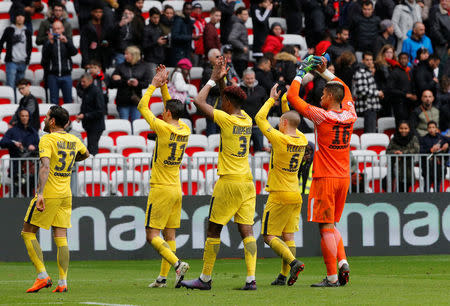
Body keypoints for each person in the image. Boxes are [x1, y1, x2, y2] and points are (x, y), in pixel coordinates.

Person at [181, 57, 257, 290]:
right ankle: (251, 279)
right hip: (247, 182)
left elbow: (197, 100)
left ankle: (204, 278)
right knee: (247, 230)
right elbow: (228, 97)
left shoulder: (225, 118)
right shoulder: (246, 119)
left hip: (229, 183)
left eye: (223, 99)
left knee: (214, 229)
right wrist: (224, 80)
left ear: (226, 102)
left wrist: (213, 80)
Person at [287, 55, 356, 287]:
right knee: (332, 225)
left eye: (324, 94)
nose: (321, 96)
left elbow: (292, 98)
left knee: (324, 227)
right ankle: (342, 261)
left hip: (325, 177)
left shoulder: (321, 116)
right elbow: (344, 88)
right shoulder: (350, 114)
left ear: (330, 97)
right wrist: (324, 72)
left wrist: (300, 72)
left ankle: (332, 277)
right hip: (343, 177)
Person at [21, 106, 89, 293]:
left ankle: (42, 276)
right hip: (65, 193)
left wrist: (40, 193)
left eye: (46, 117)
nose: (44, 119)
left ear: (52, 122)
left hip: (50, 192)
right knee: (61, 237)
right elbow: (86, 154)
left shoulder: (47, 139)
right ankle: (63, 282)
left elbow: (45, 167)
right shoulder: (74, 139)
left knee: (28, 232)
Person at [137, 65, 190, 289]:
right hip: (177, 188)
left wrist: (154, 85)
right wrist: (165, 85)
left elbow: (142, 105)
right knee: (170, 234)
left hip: (160, 187)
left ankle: (177, 264)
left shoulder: (161, 127)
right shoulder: (185, 128)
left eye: (165, 110)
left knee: (152, 234)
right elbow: (171, 108)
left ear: (167, 113)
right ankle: (163, 277)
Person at [255, 85, 308, 286]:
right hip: (295, 194)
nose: (277, 126)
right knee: (288, 235)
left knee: (268, 236)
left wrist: (271, 100)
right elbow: (291, 118)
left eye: (279, 122)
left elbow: (259, 119)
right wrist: (284, 103)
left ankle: (293, 262)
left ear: (284, 123)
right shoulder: (302, 139)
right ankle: (283, 276)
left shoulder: (280, 139)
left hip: (279, 194)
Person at [0, 108, 39, 197]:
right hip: (16, 168)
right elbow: (2, 142)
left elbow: (40, 147)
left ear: (29, 117)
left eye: (26, 116)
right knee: (14, 192)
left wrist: (34, 147)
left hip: (31, 168)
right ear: (19, 117)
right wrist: (14, 143)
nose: (25, 118)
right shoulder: (12, 131)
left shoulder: (33, 132)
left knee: (29, 193)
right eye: (22, 116)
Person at [109, 46, 150, 123]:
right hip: (123, 100)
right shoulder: (120, 66)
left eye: (127, 54)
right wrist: (125, 82)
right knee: (124, 123)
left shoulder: (144, 66)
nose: (125, 56)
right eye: (125, 54)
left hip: (136, 100)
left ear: (134, 55)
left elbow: (146, 83)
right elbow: (112, 83)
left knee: (136, 123)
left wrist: (137, 84)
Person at [42, 20, 77, 105]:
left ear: (63, 29)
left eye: (58, 28)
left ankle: (67, 118)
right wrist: (50, 43)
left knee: (68, 101)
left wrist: (67, 43)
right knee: (54, 102)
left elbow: (74, 52)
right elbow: (44, 57)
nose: (57, 31)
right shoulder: (48, 42)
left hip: (66, 74)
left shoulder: (67, 40)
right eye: (54, 29)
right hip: (53, 75)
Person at [0, 10, 32, 91]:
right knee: (10, 86)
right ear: (15, 18)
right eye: (18, 16)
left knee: (21, 88)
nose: (20, 18)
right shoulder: (9, 30)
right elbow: (1, 43)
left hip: (23, 62)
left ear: (24, 18)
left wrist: (27, 60)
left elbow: (29, 47)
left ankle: (19, 103)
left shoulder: (27, 31)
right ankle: (12, 103)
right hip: (11, 62)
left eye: (22, 16)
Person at [352, 52, 382, 133]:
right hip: (367, 108)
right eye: (367, 60)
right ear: (362, 61)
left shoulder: (367, 71)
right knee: (370, 133)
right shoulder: (361, 72)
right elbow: (362, 90)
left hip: (371, 107)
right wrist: (377, 93)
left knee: (371, 132)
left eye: (371, 60)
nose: (369, 62)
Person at [76, 74, 105, 156]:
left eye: (84, 82)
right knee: (91, 148)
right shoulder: (86, 90)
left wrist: (85, 116)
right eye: (81, 81)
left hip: (96, 125)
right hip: (90, 125)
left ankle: (94, 167)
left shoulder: (96, 92)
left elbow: (100, 111)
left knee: (92, 149)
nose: (82, 83)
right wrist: (80, 115)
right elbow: (85, 107)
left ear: (90, 81)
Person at [386, 121, 420, 192]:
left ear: (409, 129)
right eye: (401, 128)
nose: (403, 130)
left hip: (408, 168)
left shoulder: (413, 138)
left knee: (407, 188)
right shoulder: (394, 139)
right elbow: (388, 151)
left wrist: (403, 153)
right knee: (398, 188)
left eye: (406, 128)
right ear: (398, 129)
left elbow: (416, 149)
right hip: (396, 168)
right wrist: (395, 152)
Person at [240, 68, 267, 152]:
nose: (250, 81)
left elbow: (266, 106)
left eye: (252, 78)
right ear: (243, 78)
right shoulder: (238, 90)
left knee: (259, 152)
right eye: (247, 79)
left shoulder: (261, 90)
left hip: (257, 126)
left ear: (254, 78)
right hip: (242, 127)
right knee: (243, 152)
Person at [80, 4, 115, 69]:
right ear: (92, 12)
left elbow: (110, 41)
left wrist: (106, 43)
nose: (98, 14)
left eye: (100, 12)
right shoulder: (86, 27)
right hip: (91, 58)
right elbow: (83, 46)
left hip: (103, 58)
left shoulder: (105, 26)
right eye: (96, 12)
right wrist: (86, 62)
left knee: (102, 78)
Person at [387, 52, 417, 125]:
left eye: (405, 59)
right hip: (399, 104)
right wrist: (405, 95)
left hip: (410, 104)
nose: (403, 60)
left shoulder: (410, 71)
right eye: (401, 59)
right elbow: (390, 89)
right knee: (400, 124)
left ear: (408, 60)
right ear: (398, 60)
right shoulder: (395, 72)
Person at [419, 121, 449, 192]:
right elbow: (420, 151)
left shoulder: (441, 137)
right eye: (429, 127)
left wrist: (447, 144)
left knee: (437, 188)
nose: (431, 129)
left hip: (439, 167)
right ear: (427, 129)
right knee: (427, 188)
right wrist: (430, 150)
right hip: (427, 168)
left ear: (436, 128)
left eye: (433, 127)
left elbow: (448, 141)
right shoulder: (423, 139)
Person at [200, 48, 223, 136]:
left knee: (220, 133)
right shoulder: (208, 71)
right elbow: (215, 88)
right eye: (217, 57)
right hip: (211, 106)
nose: (220, 59)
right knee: (212, 133)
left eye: (220, 56)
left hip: (221, 106)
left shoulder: (222, 69)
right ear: (210, 59)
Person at [143, 7, 167, 78]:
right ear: (150, 17)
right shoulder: (146, 29)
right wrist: (156, 42)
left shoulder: (159, 28)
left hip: (160, 59)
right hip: (150, 60)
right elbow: (144, 46)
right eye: (154, 17)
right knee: (153, 83)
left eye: (158, 17)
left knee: (162, 83)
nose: (156, 20)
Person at [229, 7, 250, 77]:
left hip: (241, 57)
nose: (247, 16)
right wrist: (243, 47)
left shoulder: (241, 24)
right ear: (238, 15)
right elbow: (232, 38)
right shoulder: (238, 25)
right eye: (244, 14)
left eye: (247, 14)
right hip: (239, 58)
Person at [192, 1, 206, 67]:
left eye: (199, 8)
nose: (198, 10)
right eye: (196, 8)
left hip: (202, 48)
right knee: (194, 67)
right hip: (194, 49)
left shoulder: (203, 20)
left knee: (201, 67)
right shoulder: (191, 20)